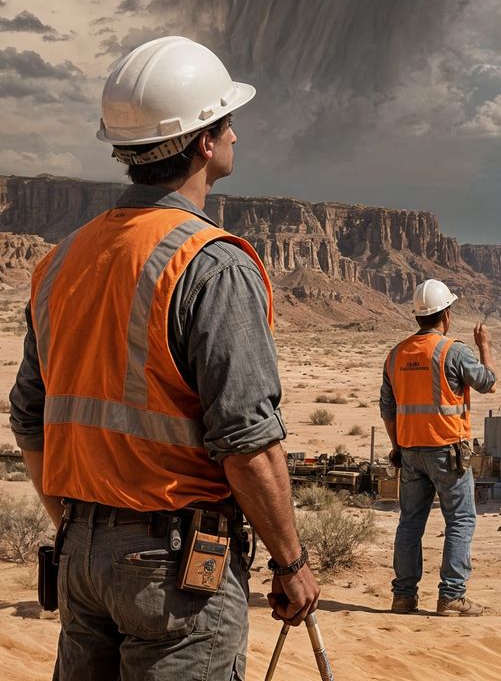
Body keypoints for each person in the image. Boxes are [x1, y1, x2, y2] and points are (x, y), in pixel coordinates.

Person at [6, 35, 320, 677]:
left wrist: (78, 526)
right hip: (175, 571)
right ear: (204, 141)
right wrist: (290, 564)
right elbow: (247, 442)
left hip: (81, 558)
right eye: (228, 122)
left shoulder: (60, 261)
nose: (236, 136)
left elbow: (29, 418)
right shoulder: (210, 265)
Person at [381, 280, 497, 617]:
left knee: (410, 523)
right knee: (460, 520)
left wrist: (397, 447)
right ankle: (451, 596)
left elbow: (388, 410)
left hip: (410, 452)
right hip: (448, 452)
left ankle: (403, 596)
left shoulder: (396, 354)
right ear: (445, 314)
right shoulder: (454, 351)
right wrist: (484, 346)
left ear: (419, 316)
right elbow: (488, 382)